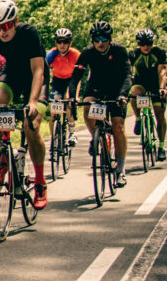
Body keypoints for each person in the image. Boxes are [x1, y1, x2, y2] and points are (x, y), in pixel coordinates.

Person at [0, 0, 49, 208]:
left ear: (15, 21)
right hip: (12, 74)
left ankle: (40, 181)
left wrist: (33, 101)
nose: (2, 32)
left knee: (30, 126)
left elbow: (38, 71)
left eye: (6, 26)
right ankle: (1, 156)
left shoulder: (29, 33)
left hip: (35, 79)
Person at [71, 21, 132, 185]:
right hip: (96, 87)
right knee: (87, 106)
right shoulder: (88, 52)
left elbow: (128, 75)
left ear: (110, 38)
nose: (100, 42)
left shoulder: (119, 51)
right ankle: (96, 136)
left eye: (104, 38)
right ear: (92, 40)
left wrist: (123, 95)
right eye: (96, 39)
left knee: (118, 126)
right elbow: (76, 76)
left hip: (117, 89)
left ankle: (120, 170)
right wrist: (72, 97)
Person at [128, 28, 167, 161]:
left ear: (152, 43)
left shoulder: (159, 52)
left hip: (156, 84)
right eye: (142, 44)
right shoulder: (133, 54)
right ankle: (138, 119)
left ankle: (161, 147)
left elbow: (162, 72)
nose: (146, 47)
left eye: (149, 43)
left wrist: (162, 88)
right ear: (138, 44)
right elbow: (129, 73)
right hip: (141, 83)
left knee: (159, 113)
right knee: (135, 93)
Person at [46, 28, 81, 146]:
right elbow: (43, 71)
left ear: (70, 42)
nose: (62, 44)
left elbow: (78, 77)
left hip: (71, 80)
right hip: (57, 81)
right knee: (54, 111)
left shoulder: (76, 54)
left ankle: (72, 133)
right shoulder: (51, 54)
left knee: (69, 101)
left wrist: (76, 96)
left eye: (65, 41)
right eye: (59, 41)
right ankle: (54, 138)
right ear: (56, 42)